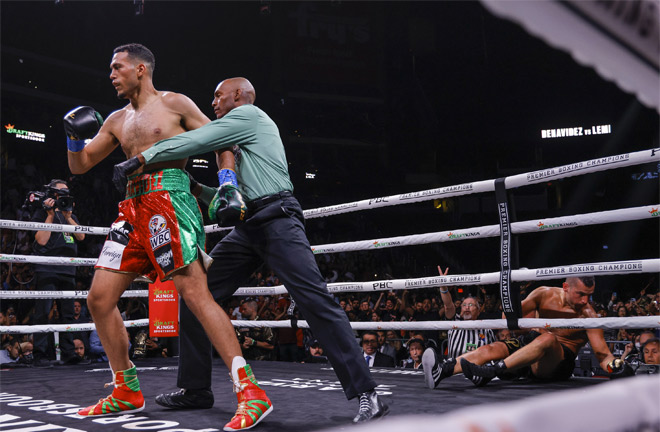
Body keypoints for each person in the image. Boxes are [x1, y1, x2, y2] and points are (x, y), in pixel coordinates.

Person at [114, 77, 388, 423]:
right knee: (198, 294)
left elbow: (197, 139)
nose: (213, 101)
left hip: (278, 218)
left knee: (315, 300)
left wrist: (142, 158)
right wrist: (196, 186)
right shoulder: (239, 142)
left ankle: (368, 393)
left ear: (240, 95)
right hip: (249, 227)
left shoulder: (249, 116)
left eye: (218, 95)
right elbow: (230, 200)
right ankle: (196, 389)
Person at [66, 44, 271, 430]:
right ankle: (125, 389)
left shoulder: (175, 103)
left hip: (170, 197)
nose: (111, 74)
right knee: (98, 299)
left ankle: (250, 392)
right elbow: (81, 166)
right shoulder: (114, 120)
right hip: (131, 208)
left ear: (140, 69)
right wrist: (73, 138)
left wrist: (228, 184)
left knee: (194, 293)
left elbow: (221, 139)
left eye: (117, 67)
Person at [430, 277, 632, 388]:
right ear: (565, 287)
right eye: (580, 294)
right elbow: (507, 321)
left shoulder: (588, 316)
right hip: (531, 347)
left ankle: (492, 371)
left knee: (548, 338)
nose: (585, 301)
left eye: (589, 296)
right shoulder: (543, 294)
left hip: (556, 364)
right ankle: (443, 370)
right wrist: (530, 323)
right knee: (493, 347)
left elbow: (603, 354)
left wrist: (617, 366)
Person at [31, 179, 85, 366]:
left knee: (67, 314)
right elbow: (42, 241)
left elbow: (81, 236)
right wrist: (49, 215)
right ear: (53, 194)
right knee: (43, 312)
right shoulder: (41, 212)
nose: (65, 195)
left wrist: (68, 216)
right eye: (61, 192)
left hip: (67, 270)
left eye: (67, 192)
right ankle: (40, 354)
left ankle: (69, 353)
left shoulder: (71, 214)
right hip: (47, 267)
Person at [422, 267, 496, 388]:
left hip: (478, 373)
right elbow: (449, 306)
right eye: (464, 305)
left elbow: (494, 354)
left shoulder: (487, 329)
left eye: (471, 305)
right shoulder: (455, 323)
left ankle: (477, 374)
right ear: (460, 310)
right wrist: (443, 287)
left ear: (478, 310)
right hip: (453, 375)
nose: (467, 307)